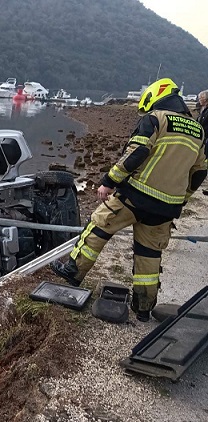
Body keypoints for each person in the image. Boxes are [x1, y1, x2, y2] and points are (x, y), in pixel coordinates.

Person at [51, 78, 207, 321]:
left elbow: (137, 152)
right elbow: (199, 172)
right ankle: (143, 308)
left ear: (155, 97)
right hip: (167, 207)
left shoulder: (155, 119)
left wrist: (109, 181)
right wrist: (182, 198)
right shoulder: (198, 129)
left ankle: (72, 272)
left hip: (136, 195)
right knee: (149, 255)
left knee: (99, 224)